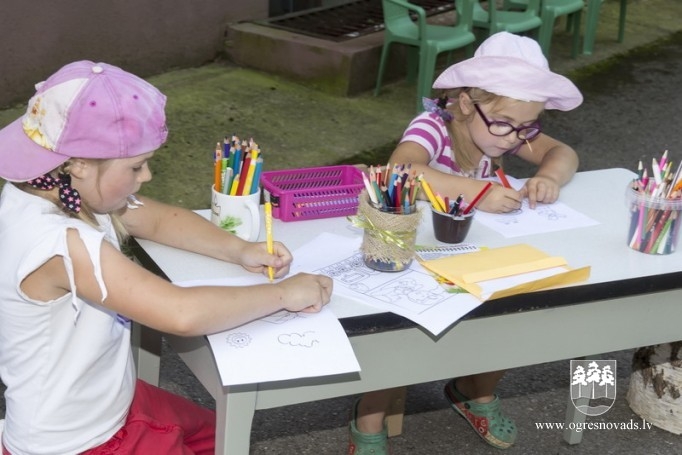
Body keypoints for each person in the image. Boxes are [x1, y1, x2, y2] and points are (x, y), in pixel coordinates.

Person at [0, 60, 333, 455]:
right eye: (136, 166)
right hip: (81, 442)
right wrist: (284, 295)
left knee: (220, 434)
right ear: (79, 165)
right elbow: (179, 313)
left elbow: (157, 220)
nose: (147, 176)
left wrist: (239, 249)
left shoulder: (51, 191)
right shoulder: (61, 243)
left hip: (108, 402)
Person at [348, 32, 583, 454]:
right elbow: (402, 167)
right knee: (399, 333)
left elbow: (563, 152)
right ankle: (369, 415)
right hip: (412, 253)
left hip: (471, 256)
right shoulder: (434, 127)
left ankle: (475, 391)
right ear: (464, 103)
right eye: (504, 125)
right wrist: (476, 192)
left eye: (526, 128)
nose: (513, 139)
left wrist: (548, 176)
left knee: (513, 310)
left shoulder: (505, 128)